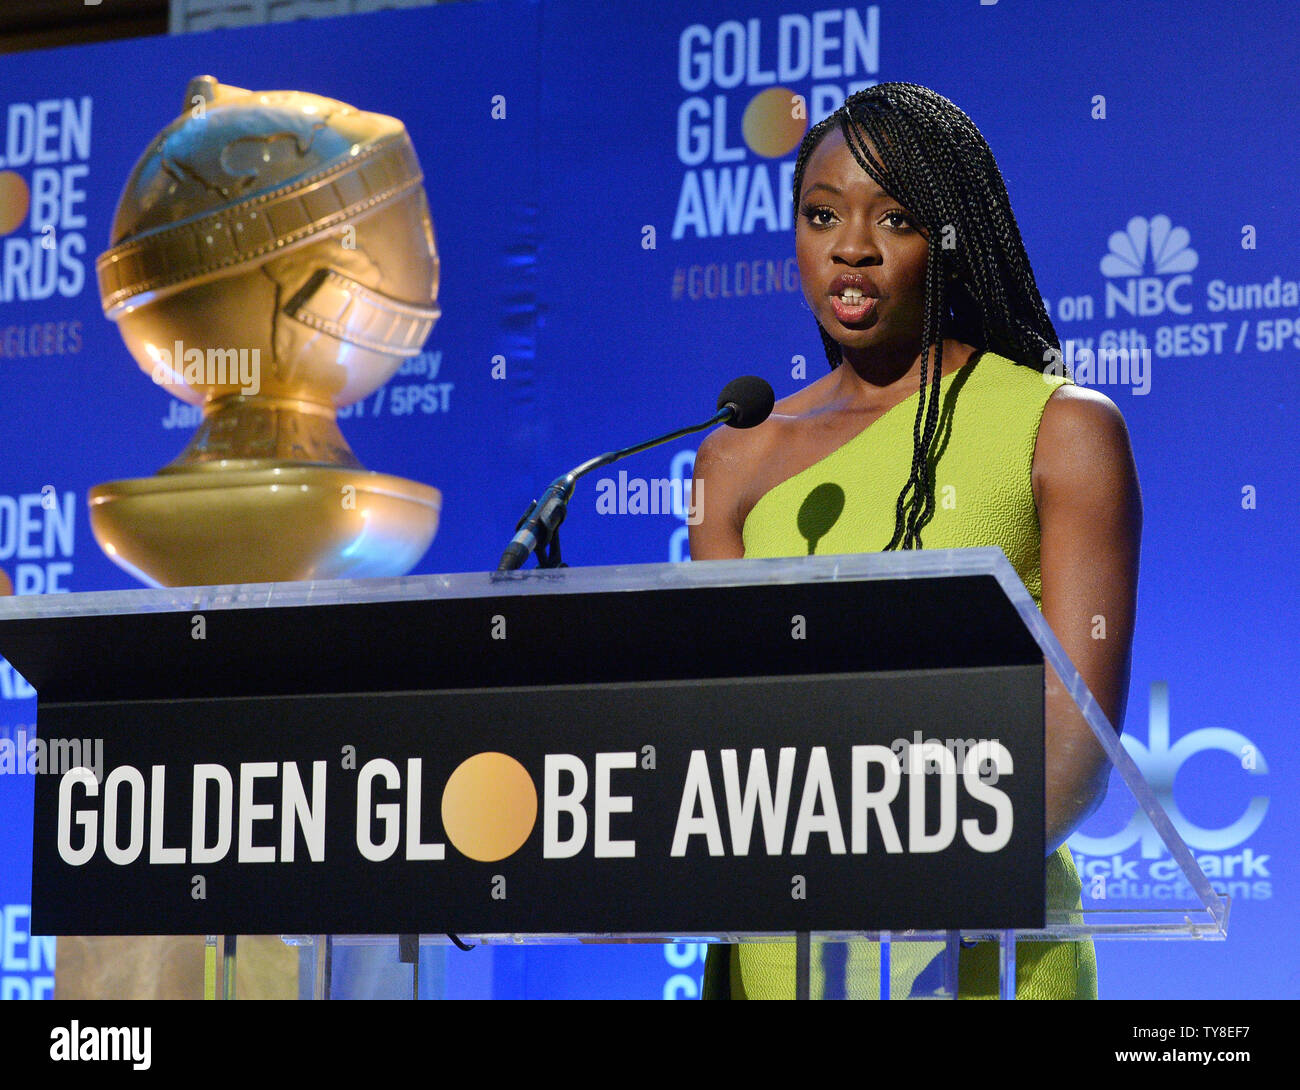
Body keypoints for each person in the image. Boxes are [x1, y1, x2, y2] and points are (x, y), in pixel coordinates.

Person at [689, 82, 1142, 999]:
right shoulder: (734, 456)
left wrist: (906, 879)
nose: (850, 247)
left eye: (893, 217)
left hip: (989, 947)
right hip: (785, 955)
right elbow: (721, 737)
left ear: (950, 238)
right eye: (821, 215)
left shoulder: (1061, 430)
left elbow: (1074, 739)